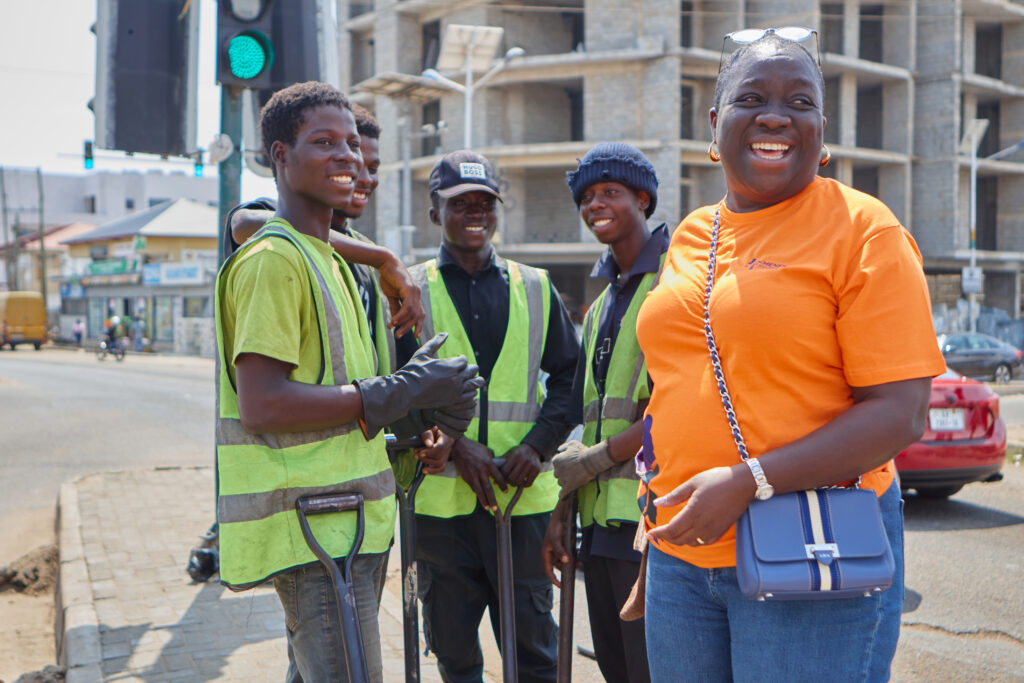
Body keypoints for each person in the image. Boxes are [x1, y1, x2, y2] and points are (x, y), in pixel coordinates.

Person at [633, 30, 946, 682]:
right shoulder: (691, 233)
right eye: (752, 98)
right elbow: (676, 385)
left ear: (821, 132)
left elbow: (901, 412)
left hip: (810, 543)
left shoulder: (865, 229)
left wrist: (747, 482)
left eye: (799, 102)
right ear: (715, 124)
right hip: (681, 555)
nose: (775, 116)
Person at [214, 81, 483, 683]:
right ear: (280, 156)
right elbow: (262, 404)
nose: (348, 157)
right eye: (324, 142)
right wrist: (401, 390)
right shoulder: (275, 260)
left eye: (352, 145)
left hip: (347, 520)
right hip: (315, 527)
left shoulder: (330, 259)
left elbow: (346, 393)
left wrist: (415, 401)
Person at [400, 150, 580, 682]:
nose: (475, 211)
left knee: (534, 658)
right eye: (460, 203)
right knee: (455, 658)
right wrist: (457, 446)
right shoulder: (408, 290)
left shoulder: (535, 286)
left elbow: (570, 381)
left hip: (521, 504)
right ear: (435, 212)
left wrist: (537, 445)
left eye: (485, 202)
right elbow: (392, 390)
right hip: (440, 511)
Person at [541, 142, 665, 683]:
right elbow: (587, 418)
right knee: (618, 671)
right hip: (600, 526)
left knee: (651, 671)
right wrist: (561, 508)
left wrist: (593, 460)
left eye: (610, 192)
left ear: (643, 199)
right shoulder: (601, 306)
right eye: (587, 197)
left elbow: (676, 407)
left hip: (652, 524)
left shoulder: (672, 283)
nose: (596, 205)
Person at [228, 103, 421, 371]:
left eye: (373, 168)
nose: (363, 177)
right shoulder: (277, 232)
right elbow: (243, 223)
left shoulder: (367, 256)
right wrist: (382, 257)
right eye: (328, 145)